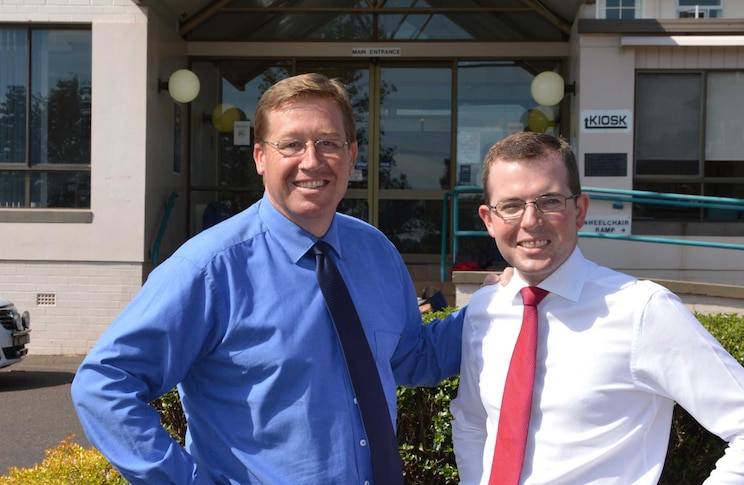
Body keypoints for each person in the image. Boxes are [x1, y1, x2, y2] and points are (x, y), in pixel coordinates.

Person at [71, 73, 468, 484]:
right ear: (260, 156)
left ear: (351, 156)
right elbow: (104, 385)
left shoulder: (376, 252)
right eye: (292, 144)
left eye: (328, 142)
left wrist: (503, 306)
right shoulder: (209, 269)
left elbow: (411, 357)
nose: (311, 161)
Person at [450, 132, 744, 484]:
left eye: (550, 201)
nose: (530, 220)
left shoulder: (642, 311)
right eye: (511, 205)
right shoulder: (485, 309)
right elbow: (472, 421)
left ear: (580, 210)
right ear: (489, 220)